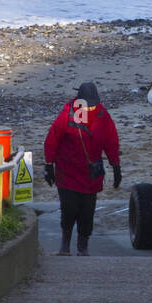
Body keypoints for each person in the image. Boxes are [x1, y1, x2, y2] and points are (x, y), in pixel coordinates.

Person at [44, 81, 120, 256]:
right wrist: (49, 165)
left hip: (91, 175)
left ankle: (83, 248)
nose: (91, 108)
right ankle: (64, 246)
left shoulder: (103, 115)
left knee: (87, 211)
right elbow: (52, 140)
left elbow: (111, 141)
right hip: (67, 172)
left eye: (93, 105)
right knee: (69, 209)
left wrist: (115, 165)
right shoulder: (67, 115)